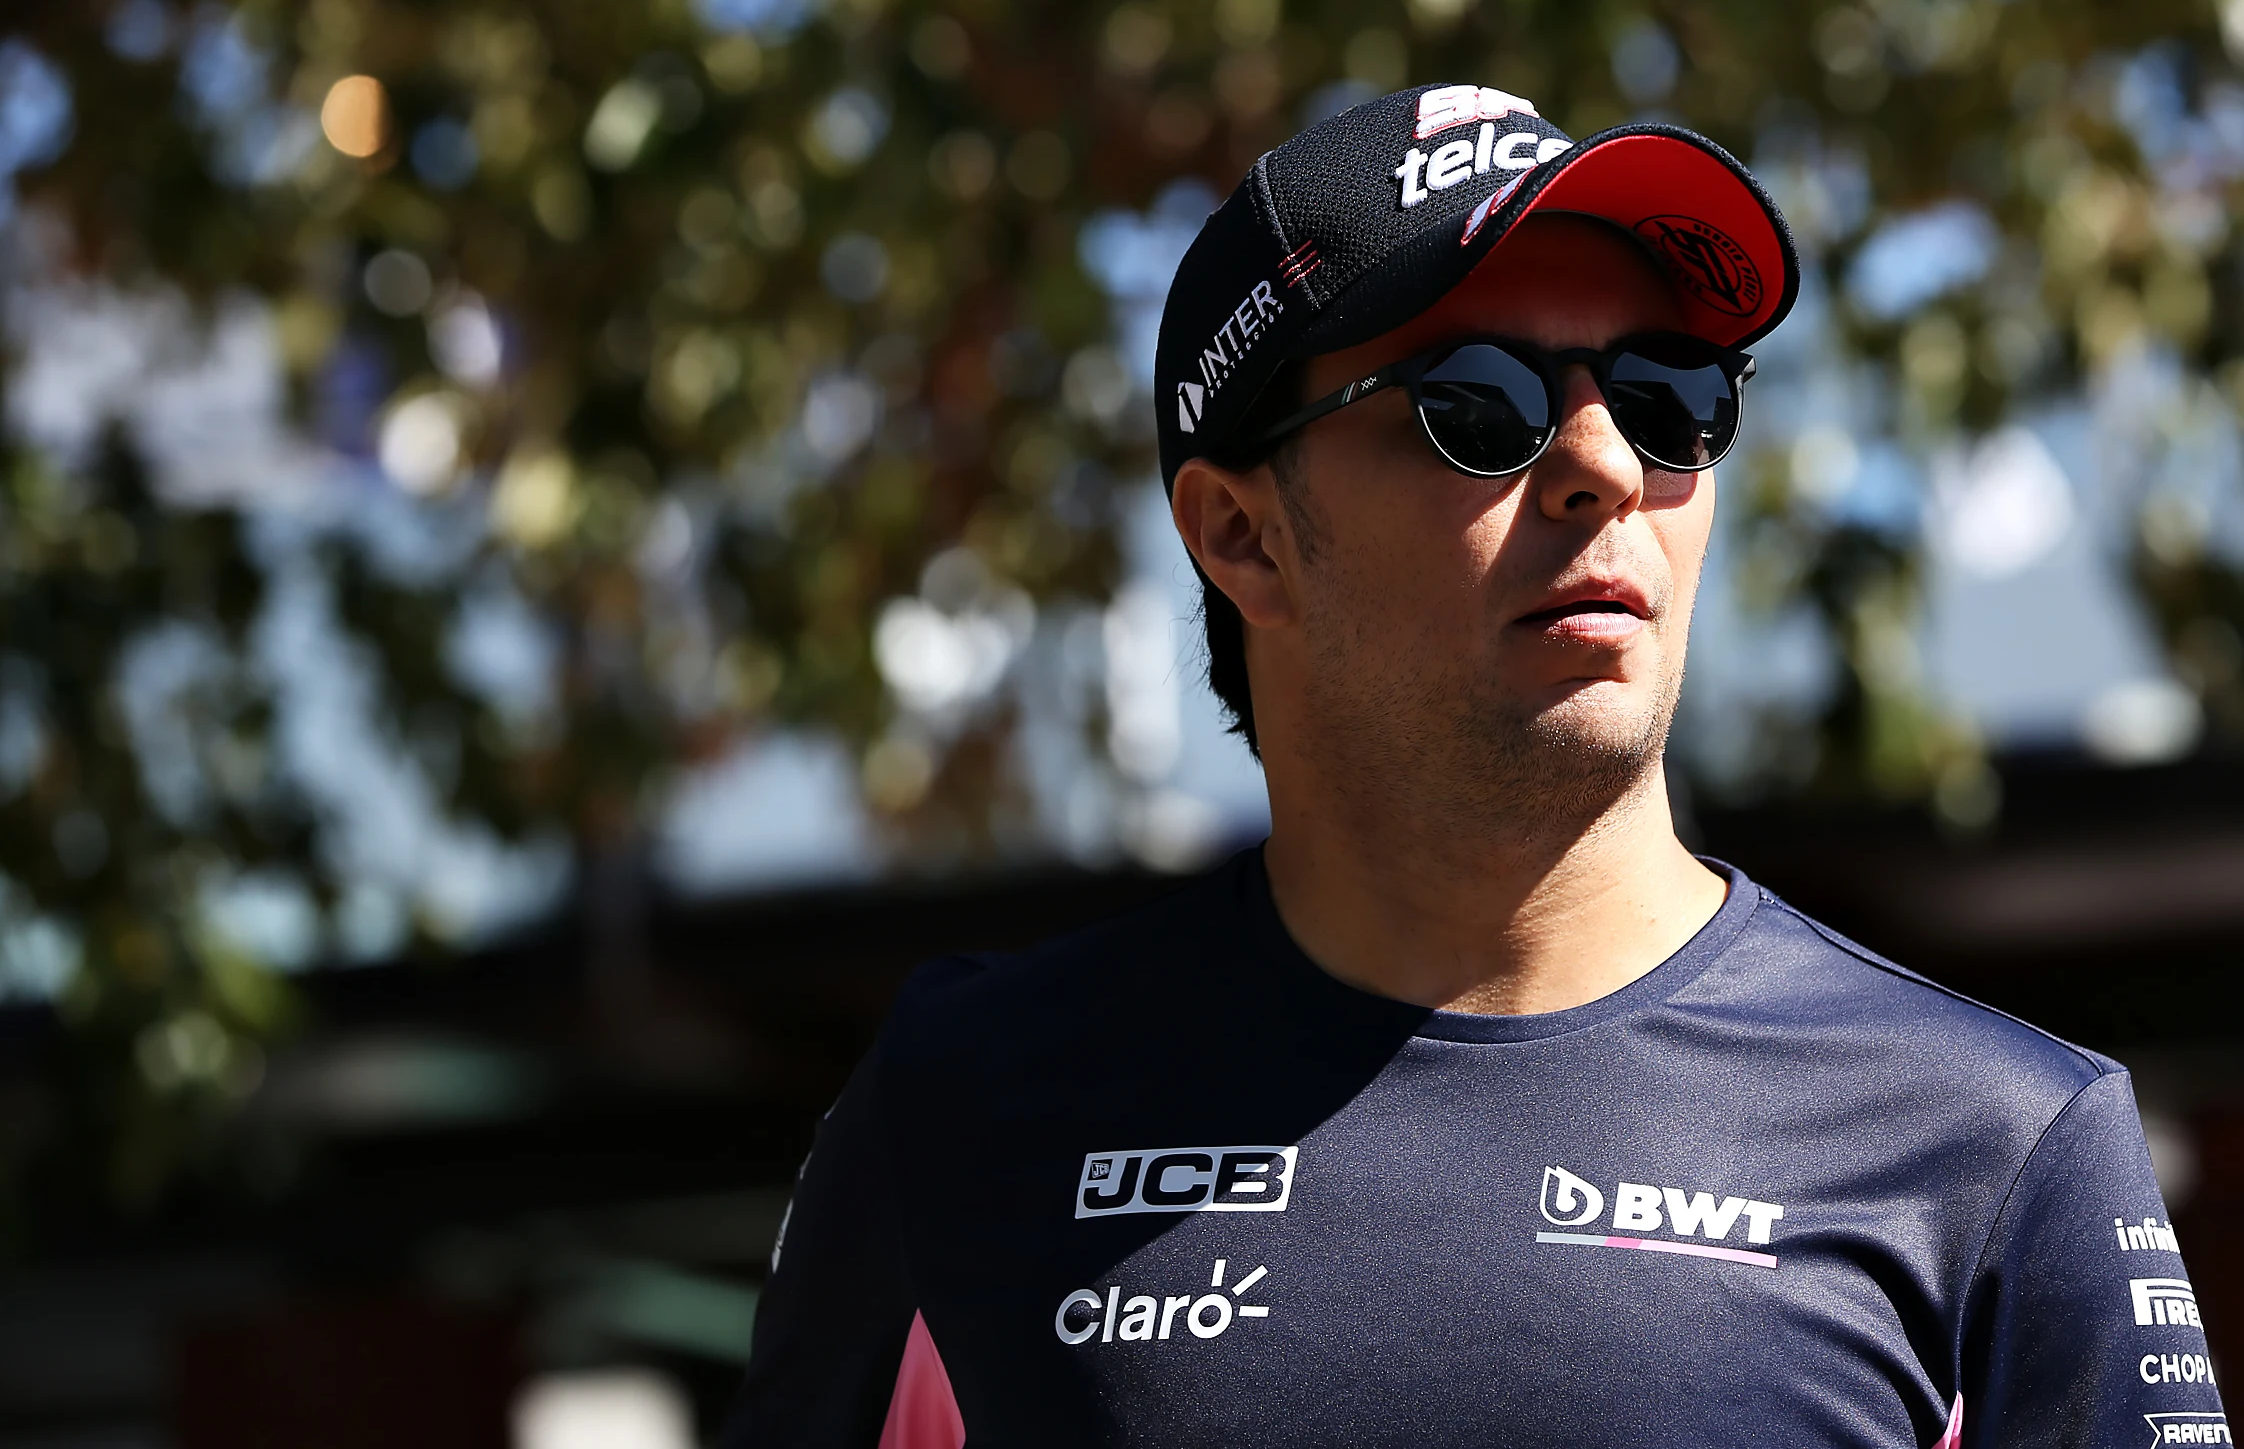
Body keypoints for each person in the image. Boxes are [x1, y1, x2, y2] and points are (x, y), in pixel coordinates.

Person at [721, 85, 2225, 1448]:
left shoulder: (2001, 1145)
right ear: (1241, 533)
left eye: (1670, 395)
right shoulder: (961, 1104)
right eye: (1480, 405)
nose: (1607, 464)